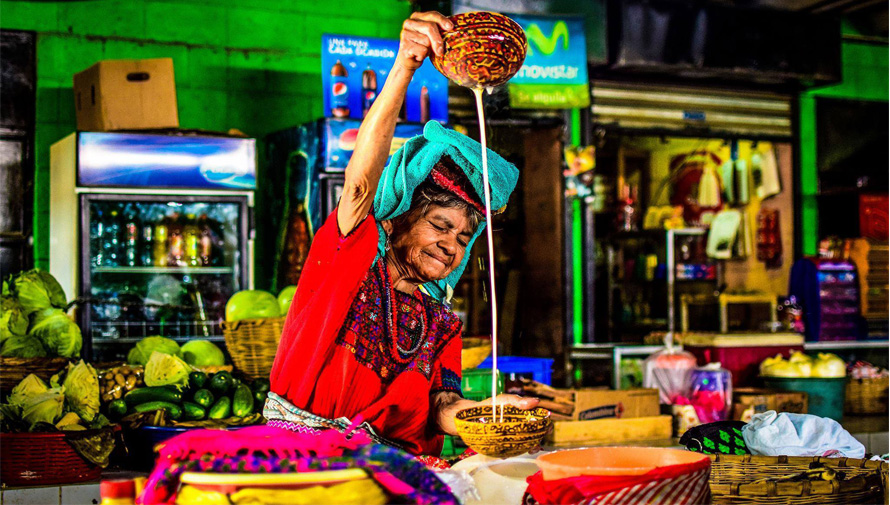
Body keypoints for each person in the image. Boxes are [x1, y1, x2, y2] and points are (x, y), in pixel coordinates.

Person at [266, 11, 539, 456]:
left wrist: (484, 415)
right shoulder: (350, 261)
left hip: (394, 474)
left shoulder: (441, 323)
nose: (452, 246)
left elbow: (442, 405)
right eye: (440, 226)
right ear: (394, 220)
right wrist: (405, 66)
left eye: (464, 238)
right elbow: (358, 185)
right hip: (296, 466)